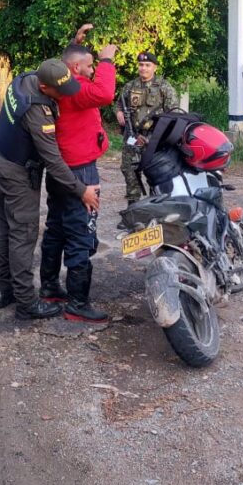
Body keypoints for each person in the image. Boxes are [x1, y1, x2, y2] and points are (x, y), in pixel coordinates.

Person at [0, 59, 101, 320]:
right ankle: (27, 303)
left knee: (6, 227)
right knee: (23, 234)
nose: (65, 96)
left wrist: (75, 46)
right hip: (17, 173)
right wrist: (80, 190)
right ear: (44, 87)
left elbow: (57, 69)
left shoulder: (25, 78)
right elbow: (53, 160)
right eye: (60, 92)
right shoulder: (37, 111)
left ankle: (3, 290)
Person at [39, 38, 118, 323]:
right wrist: (107, 60)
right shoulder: (78, 90)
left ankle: (49, 288)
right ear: (74, 67)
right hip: (81, 172)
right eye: (88, 65)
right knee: (81, 234)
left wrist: (75, 42)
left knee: (56, 229)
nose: (92, 68)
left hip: (60, 170)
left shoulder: (59, 84)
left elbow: (63, 61)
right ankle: (77, 303)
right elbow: (106, 93)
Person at [117, 52, 178, 203]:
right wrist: (118, 113)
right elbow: (119, 104)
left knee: (156, 172)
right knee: (128, 170)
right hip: (132, 137)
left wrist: (157, 136)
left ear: (154, 67)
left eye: (147, 65)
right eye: (141, 65)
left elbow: (173, 114)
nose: (143, 68)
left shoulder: (164, 88)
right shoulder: (130, 86)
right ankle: (134, 207)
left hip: (154, 140)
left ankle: (156, 205)